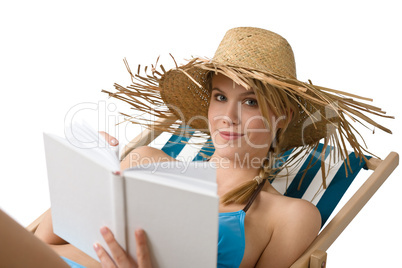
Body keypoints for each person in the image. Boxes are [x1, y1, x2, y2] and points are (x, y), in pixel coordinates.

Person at [2, 27, 392, 267]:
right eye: (220, 97)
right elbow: (46, 239)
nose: (229, 116)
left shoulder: (290, 216)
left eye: (251, 101)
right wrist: (87, 173)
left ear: (284, 117)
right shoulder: (146, 160)